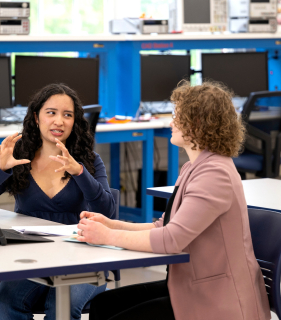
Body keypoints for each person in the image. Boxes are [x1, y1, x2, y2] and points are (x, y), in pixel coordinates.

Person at [77, 80, 271, 320]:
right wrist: (111, 225)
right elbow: (164, 227)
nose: (171, 123)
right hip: (194, 286)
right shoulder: (194, 167)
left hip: (218, 299)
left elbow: (171, 239)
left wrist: (107, 237)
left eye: (176, 116)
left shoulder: (215, 174)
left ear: (197, 124)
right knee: (104, 305)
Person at [0, 83, 116, 320]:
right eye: (51, 113)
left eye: (67, 115)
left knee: (60, 306)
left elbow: (107, 211)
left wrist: (80, 173)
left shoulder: (89, 160)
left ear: (75, 122)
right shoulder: (19, 157)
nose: (59, 121)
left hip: (83, 257)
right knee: (6, 303)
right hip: (33, 258)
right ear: (37, 118)